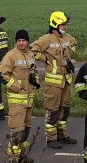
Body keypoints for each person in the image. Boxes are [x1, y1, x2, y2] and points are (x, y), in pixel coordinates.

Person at [30, 10, 78, 149]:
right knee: (52, 110)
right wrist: (44, 58)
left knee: (65, 109)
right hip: (53, 82)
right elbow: (32, 50)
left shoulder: (67, 37)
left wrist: (68, 57)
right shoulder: (46, 39)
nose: (65, 27)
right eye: (63, 25)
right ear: (55, 25)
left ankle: (62, 135)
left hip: (66, 80)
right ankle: (51, 139)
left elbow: (74, 44)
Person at [0, 29, 39, 163]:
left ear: (28, 41)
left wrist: (36, 83)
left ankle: (22, 155)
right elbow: (3, 75)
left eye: (24, 40)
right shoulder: (10, 56)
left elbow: (34, 71)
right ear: (16, 42)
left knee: (26, 130)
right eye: (19, 41)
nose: (21, 43)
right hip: (17, 100)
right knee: (18, 131)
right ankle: (13, 158)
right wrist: (17, 87)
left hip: (28, 100)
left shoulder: (30, 55)